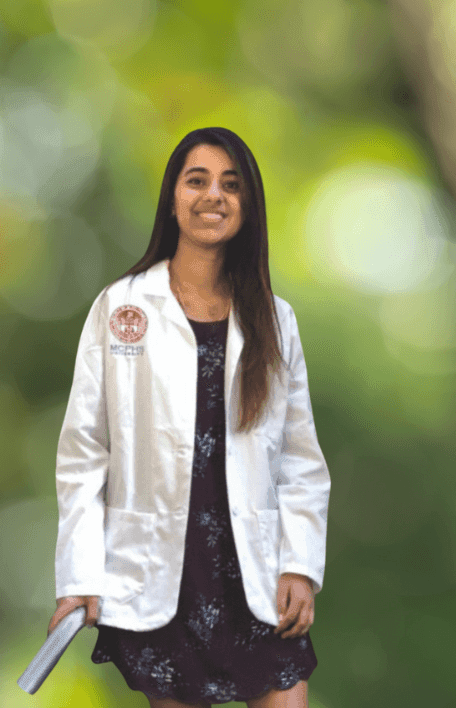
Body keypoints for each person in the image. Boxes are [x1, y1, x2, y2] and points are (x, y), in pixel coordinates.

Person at [48, 127, 331, 707]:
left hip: (254, 571)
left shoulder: (275, 320)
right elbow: (83, 453)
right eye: (196, 180)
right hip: (160, 572)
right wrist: (79, 577)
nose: (213, 196)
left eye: (231, 185)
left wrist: (300, 565)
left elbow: (301, 460)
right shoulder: (121, 307)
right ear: (173, 198)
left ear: (247, 205)